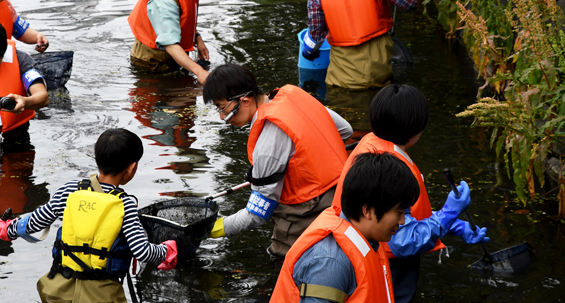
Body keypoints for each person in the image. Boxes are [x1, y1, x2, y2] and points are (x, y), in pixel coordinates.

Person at [332, 84, 489, 303]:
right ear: (415, 131)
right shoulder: (394, 170)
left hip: (357, 252)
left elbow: (399, 215)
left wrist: (454, 225)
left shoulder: (370, 146)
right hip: (387, 266)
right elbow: (402, 241)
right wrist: (447, 215)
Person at [0, 128, 178, 303]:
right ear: (132, 168)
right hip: (102, 295)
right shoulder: (125, 204)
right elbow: (142, 251)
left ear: (97, 159)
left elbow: (36, 221)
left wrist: (7, 229)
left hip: (58, 289)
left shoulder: (71, 190)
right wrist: (167, 251)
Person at [203, 64, 353, 258]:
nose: (222, 117)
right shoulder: (293, 95)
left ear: (245, 100)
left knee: (281, 261)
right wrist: (306, 160)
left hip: (307, 210)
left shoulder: (267, 145)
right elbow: (345, 130)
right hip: (343, 192)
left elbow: (257, 214)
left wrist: (213, 229)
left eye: (222, 108)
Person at [270, 152, 420, 303]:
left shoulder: (367, 237)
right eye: (399, 212)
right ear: (367, 210)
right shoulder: (330, 263)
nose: (402, 221)